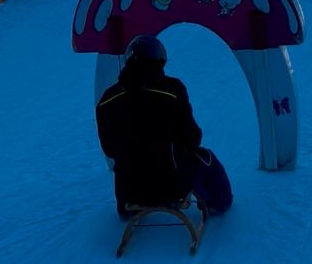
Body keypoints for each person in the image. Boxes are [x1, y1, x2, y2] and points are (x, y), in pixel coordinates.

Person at [96, 34, 233, 218]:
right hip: (171, 186)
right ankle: (219, 204)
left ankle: (130, 206)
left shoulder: (107, 100)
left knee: (126, 162)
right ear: (159, 61)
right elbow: (192, 138)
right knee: (205, 157)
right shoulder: (172, 90)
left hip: (129, 190)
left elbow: (109, 149)